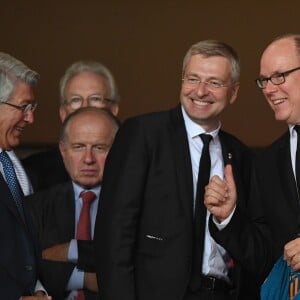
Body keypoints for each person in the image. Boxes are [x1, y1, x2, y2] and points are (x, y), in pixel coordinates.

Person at [94, 40, 271, 300]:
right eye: (193, 79)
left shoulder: (243, 157)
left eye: (214, 82)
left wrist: (227, 217)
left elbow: (258, 252)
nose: (200, 91)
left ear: (233, 92)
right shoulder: (143, 135)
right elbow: (114, 236)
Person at [25, 107, 119, 300]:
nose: (88, 159)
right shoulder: (34, 207)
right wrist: (83, 277)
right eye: (78, 147)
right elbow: (21, 267)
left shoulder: (139, 205)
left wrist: (67, 250)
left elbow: (135, 264)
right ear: (63, 150)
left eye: (99, 147)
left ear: (119, 150)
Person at [22, 60, 120, 191]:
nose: (85, 107)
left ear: (114, 110)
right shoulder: (33, 173)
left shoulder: (138, 169)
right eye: (76, 100)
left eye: (95, 99)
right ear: (62, 113)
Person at [0, 52, 51, 299]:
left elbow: (23, 251)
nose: (30, 118)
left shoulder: (12, 167)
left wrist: (38, 290)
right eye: (24, 107)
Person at [253, 34, 300, 272]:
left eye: (279, 76)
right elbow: (263, 254)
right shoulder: (267, 163)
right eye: (264, 80)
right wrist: (227, 216)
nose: (269, 89)